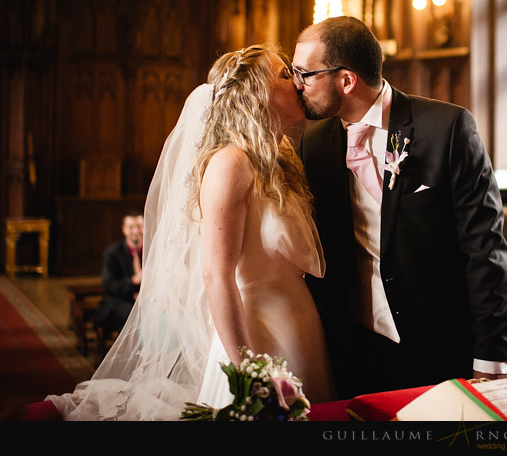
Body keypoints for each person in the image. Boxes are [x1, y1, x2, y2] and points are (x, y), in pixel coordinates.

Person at [47, 44, 333, 419]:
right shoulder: (231, 163)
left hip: (299, 320)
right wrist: (249, 371)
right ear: (254, 93)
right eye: (284, 74)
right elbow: (216, 275)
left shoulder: (283, 158)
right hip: (256, 331)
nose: (298, 83)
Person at [293, 15, 507, 398]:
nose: (298, 85)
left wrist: (493, 354)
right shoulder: (313, 145)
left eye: (306, 74)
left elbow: (485, 247)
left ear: (346, 80)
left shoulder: (446, 129)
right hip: (354, 349)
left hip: (439, 347)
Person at [94, 212, 143, 335]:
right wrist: (133, 281)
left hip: (147, 300)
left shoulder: (153, 252)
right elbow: (109, 285)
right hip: (120, 300)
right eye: (131, 227)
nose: (136, 231)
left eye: (140, 226)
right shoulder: (112, 253)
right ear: (124, 230)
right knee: (131, 315)